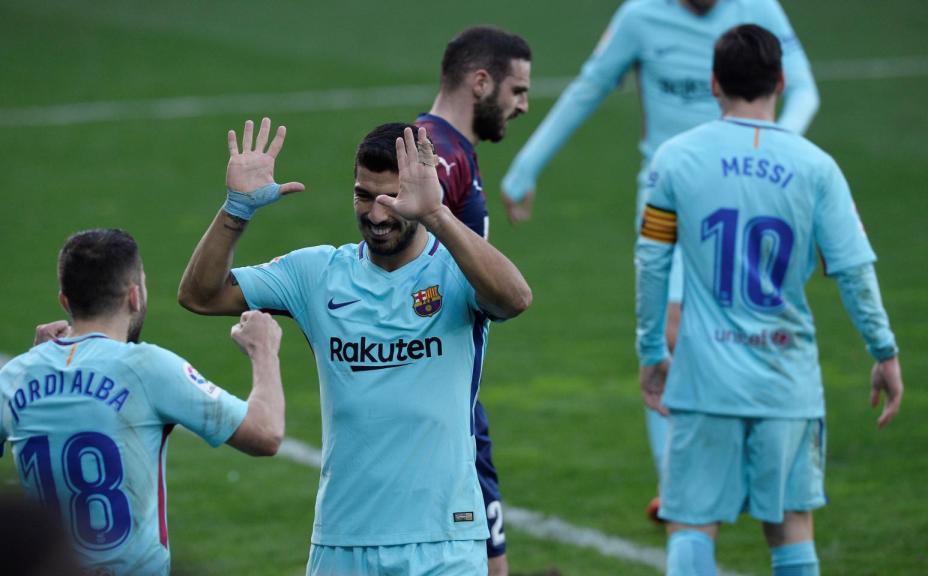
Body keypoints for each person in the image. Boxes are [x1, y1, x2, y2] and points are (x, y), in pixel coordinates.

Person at [501, 0, 820, 518]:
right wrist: (527, 164)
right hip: (664, 193)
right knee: (669, 328)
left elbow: (804, 86)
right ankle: (676, 483)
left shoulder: (759, 9)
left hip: (742, 193)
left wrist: (779, 147)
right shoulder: (640, 17)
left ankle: (750, 459)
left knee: (745, 327)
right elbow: (590, 86)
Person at [178, 118, 532, 575]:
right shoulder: (316, 274)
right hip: (344, 541)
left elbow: (516, 299)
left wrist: (437, 215)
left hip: (445, 541)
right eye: (364, 195)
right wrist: (235, 211)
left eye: (392, 199)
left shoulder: (458, 270)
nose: (377, 214)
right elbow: (200, 295)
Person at [634, 24, 903, 575]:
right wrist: (884, 350)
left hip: (705, 377)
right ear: (780, 80)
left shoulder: (676, 159)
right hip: (786, 378)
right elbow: (853, 270)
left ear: (714, 83)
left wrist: (650, 351)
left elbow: (653, 263)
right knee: (790, 529)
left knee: (689, 522)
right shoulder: (817, 167)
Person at [0, 228, 286, 576]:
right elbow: (265, 433)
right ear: (134, 296)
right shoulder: (147, 369)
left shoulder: (16, 375)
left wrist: (28, 366)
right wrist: (264, 351)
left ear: (65, 300)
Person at [414, 25, 531, 574]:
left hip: (458, 401)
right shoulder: (437, 153)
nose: (523, 106)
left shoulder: (453, 150)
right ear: (481, 82)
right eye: (518, 91)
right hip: (435, 407)